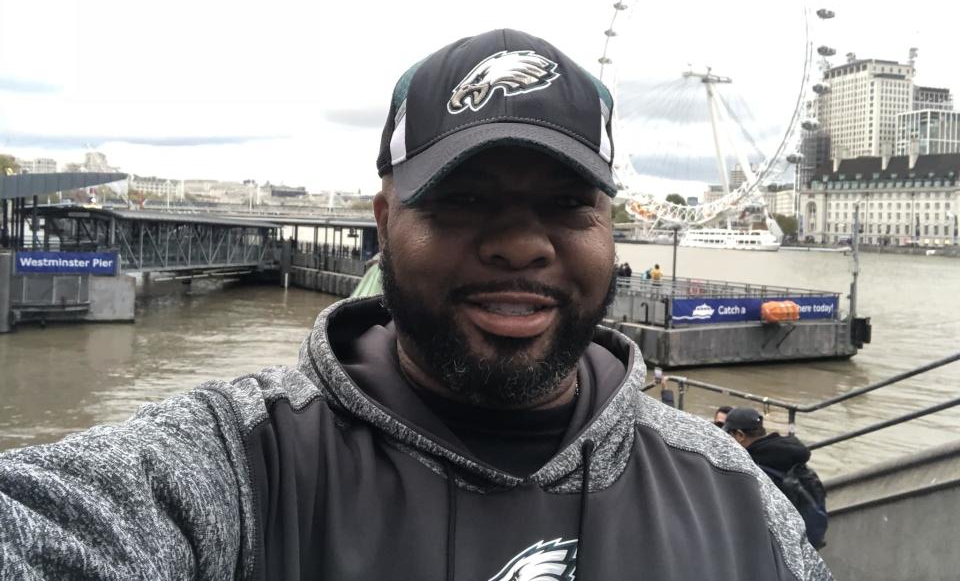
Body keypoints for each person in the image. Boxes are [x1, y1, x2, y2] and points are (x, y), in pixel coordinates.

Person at [0, 29, 830, 579]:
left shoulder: (731, 498)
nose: (518, 243)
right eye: (462, 200)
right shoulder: (242, 465)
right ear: (385, 223)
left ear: (612, 227)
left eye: (566, 204)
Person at [724, 406, 828, 549]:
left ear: (740, 435)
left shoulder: (754, 468)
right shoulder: (787, 456)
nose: (726, 441)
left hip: (774, 549)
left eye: (728, 435)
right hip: (802, 544)